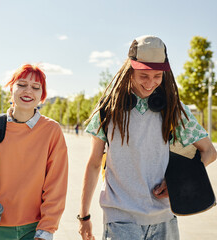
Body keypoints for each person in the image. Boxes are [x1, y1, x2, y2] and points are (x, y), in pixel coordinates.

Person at [78, 35, 217, 240]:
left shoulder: (175, 111)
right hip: (120, 221)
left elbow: (210, 151)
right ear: (130, 70)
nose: (151, 83)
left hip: (165, 220)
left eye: (157, 76)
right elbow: (93, 164)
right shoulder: (108, 111)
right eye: (144, 75)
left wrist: (177, 181)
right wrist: (84, 216)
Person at [0, 64, 68, 240]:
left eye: (35, 87)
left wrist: (47, 229)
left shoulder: (52, 131)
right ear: (11, 89)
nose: (28, 91)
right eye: (21, 85)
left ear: (42, 95)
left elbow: (56, 183)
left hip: (36, 228)